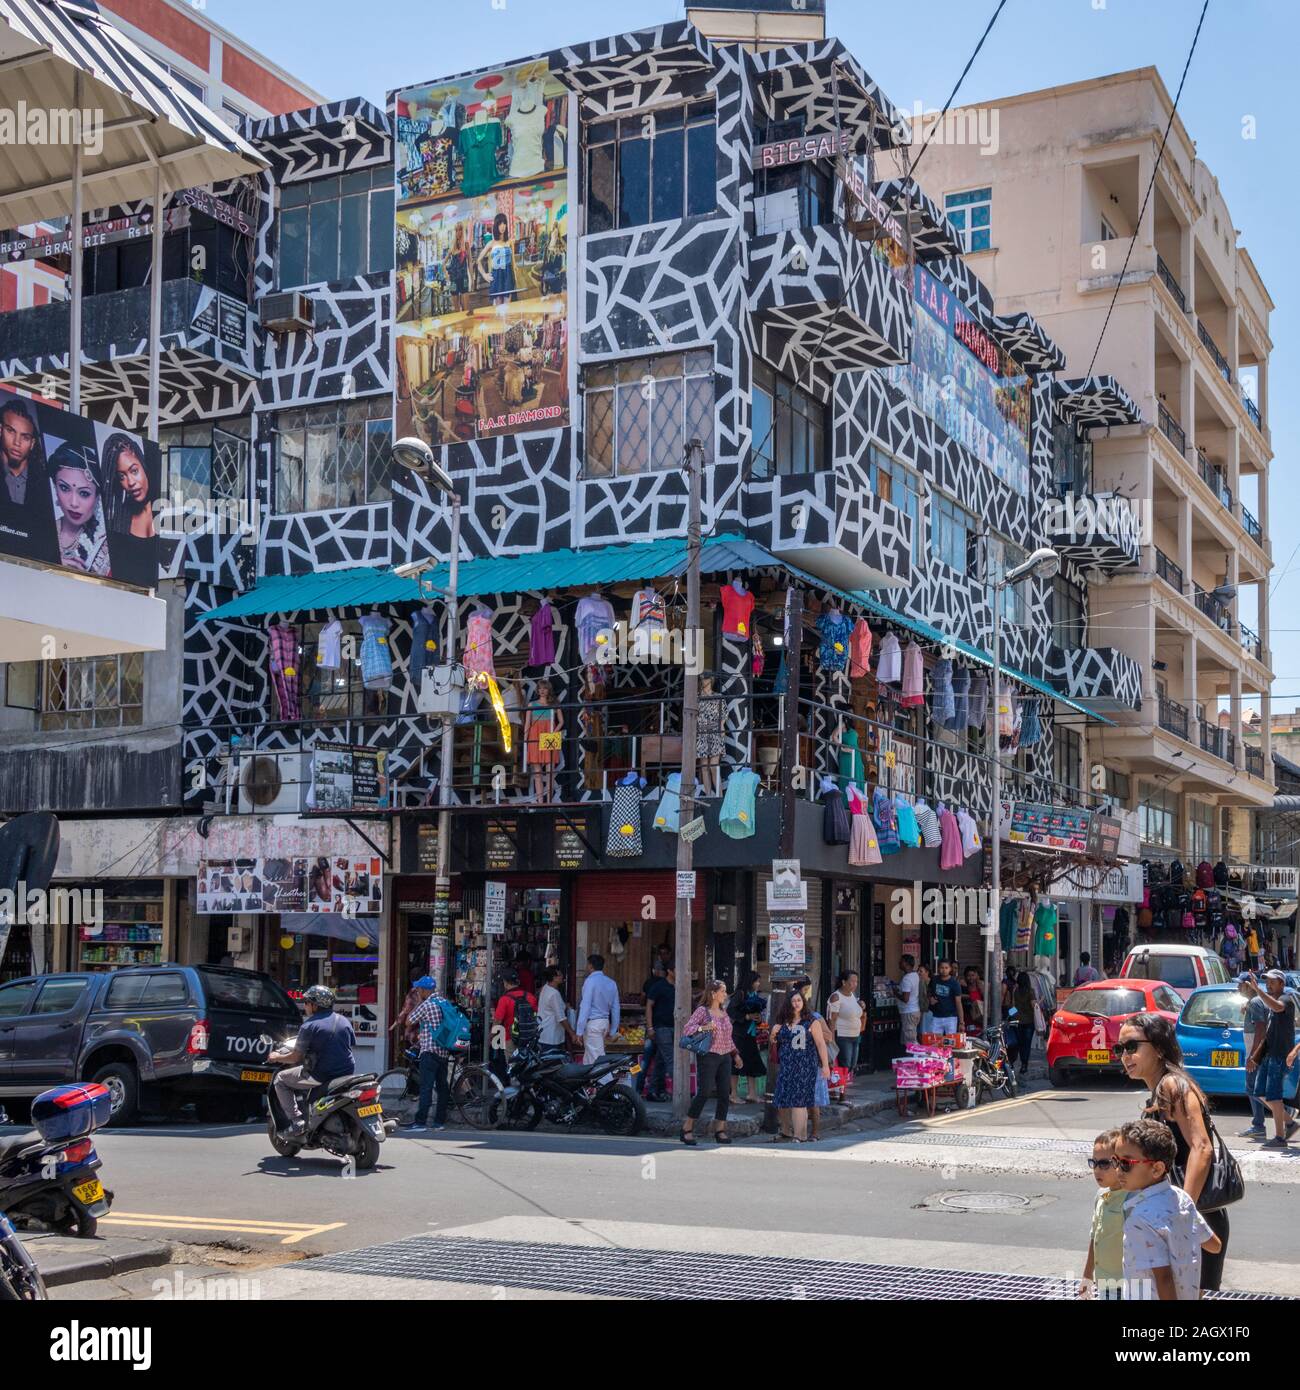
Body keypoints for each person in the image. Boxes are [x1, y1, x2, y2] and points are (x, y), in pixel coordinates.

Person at [1115, 1011, 1231, 1291]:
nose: (1124, 1055)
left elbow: (1201, 1148)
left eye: (1132, 1046)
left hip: (1192, 1214)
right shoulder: (1160, 1089)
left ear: (1157, 1047)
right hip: (1178, 1216)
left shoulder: (1172, 1085)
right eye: (1120, 1048)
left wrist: (1180, 1211)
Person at [1114, 1118, 1220, 1301]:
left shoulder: (1139, 1220)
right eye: (1115, 1161)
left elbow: (1163, 1279)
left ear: (1157, 1169)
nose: (1118, 1170)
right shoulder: (1182, 1198)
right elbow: (1214, 1245)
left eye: (1126, 1163)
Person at [268, 985, 355, 1137]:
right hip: (347, 1071)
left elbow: (295, 1057)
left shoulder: (308, 1026)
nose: (305, 1006)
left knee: (280, 1079)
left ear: (315, 1005)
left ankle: (297, 1122)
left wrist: (277, 1057)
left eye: (307, 1002)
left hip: (322, 1074)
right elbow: (349, 1044)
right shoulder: (344, 1021)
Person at [680, 980, 742, 1145]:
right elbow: (687, 1029)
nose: (725, 994)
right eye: (723, 991)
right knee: (704, 1092)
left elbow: (728, 1038)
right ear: (713, 994)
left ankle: (720, 1130)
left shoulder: (724, 1012)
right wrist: (705, 1027)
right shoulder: (703, 1011)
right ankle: (687, 1128)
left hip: (725, 1057)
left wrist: (735, 1055)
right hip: (708, 1056)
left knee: (724, 1093)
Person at [1241, 969, 1297, 1150]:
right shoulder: (1271, 1007)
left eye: (1273, 981)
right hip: (1268, 1055)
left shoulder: (1286, 1000)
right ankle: (1289, 1123)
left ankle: (1280, 1138)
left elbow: (1277, 1006)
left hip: (1280, 1056)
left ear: (1281, 983)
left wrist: (1258, 991)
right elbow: (1268, 1035)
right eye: (1267, 981)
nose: (1269, 984)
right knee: (1259, 1093)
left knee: (1274, 1095)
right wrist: (1255, 1056)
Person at [0, 397, 56, 562]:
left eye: (24, 437)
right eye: (11, 431)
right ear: (1, 430)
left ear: (32, 443)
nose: (17, 442)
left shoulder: (46, 484)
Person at [771, 987, 829, 1142]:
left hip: (805, 1066)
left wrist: (825, 1066)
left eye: (799, 1000)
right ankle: (787, 1131)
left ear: (803, 1002)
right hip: (787, 1065)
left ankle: (800, 1135)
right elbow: (774, 1042)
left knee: (799, 1100)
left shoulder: (811, 1021)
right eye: (793, 1001)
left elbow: (821, 1044)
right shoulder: (782, 1022)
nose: (796, 1003)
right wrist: (773, 1033)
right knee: (782, 1098)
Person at [50, 441, 112, 576]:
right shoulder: (40, 532)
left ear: (97, 497)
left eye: (84, 493)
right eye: (64, 488)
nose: (73, 503)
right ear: (55, 487)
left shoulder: (106, 547)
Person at [402, 976, 451, 1132]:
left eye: (419, 989)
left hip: (429, 1051)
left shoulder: (427, 1005)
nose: (418, 991)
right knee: (442, 1087)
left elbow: (408, 1021)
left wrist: (415, 1007)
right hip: (443, 1051)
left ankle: (420, 1122)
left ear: (424, 990)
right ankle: (439, 1122)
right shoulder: (444, 1002)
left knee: (426, 1087)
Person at [1082, 1127, 1126, 1300]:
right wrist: (1087, 1276)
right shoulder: (1100, 1196)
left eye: (1104, 1164)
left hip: (1126, 1285)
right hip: (1104, 1283)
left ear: (1120, 1163)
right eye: (1094, 1162)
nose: (1097, 1170)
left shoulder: (1131, 1199)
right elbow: (1095, 1238)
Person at [102, 432, 155, 539]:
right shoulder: (119, 524)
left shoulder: (167, 510)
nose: (130, 482)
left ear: (143, 465)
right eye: (122, 477)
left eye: (134, 471)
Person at [728, 971, 767, 1106]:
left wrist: (758, 1018)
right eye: (756, 981)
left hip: (750, 1034)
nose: (758, 983)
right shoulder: (740, 994)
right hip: (738, 1035)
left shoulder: (754, 995)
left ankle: (752, 1093)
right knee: (736, 1064)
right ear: (750, 982)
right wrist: (746, 1017)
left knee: (752, 1062)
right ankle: (733, 1094)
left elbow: (755, 1015)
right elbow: (731, 1011)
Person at [638, 963, 675, 1102]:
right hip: (661, 1028)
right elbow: (648, 1005)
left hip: (674, 1027)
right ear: (670, 970)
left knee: (661, 1061)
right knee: (671, 1059)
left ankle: (653, 1091)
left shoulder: (678, 986)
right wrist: (650, 1027)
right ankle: (680, 1093)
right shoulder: (658, 986)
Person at [491, 968, 537, 1079]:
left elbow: (497, 1021)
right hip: (529, 1038)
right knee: (527, 1067)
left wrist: (491, 1037)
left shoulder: (504, 999)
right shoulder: (531, 997)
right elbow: (536, 1016)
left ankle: (515, 1092)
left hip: (510, 1038)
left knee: (513, 1067)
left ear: (505, 983)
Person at [576, 952, 620, 1065]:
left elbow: (585, 1006)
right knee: (589, 1059)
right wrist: (613, 1029)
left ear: (590, 966)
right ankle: (587, 1082)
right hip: (605, 1023)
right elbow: (616, 1008)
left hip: (593, 1025)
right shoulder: (611, 983)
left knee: (597, 1061)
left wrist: (579, 1031)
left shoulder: (590, 982)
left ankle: (606, 1082)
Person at [826, 972, 864, 1075]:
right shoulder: (836, 997)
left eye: (856, 981)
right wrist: (832, 1039)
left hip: (855, 1035)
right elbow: (832, 1020)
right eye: (852, 981)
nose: (855, 984)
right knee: (845, 1065)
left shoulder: (852, 995)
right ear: (843, 982)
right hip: (843, 1036)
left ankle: (845, 1085)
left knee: (852, 1065)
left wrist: (861, 1006)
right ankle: (842, 1088)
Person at [537, 965, 578, 1056]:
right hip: (552, 1037)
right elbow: (561, 1018)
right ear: (554, 978)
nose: (562, 976)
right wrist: (572, 1033)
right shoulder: (554, 994)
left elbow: (553, 1007)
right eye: (559, 975)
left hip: (545, 1033)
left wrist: (564, 1006)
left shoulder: (545, 988)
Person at [1007, 969, 1037, 1076]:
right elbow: (1033, 1005)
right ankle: (1024, 1064)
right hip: (1029, 1021)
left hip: (1017, 1021)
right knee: (1027, 1044)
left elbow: (1013, 1006)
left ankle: (1015, 1062)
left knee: (1019, 1043)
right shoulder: (1031, 991)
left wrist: (1009, 1016)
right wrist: (1039, 1004)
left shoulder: (1015, 991)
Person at [928, 960, 965, 1037]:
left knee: (950, 1042)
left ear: (950, 969)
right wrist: (930, 999)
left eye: (946, 968)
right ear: (938, 968)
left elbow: (958, 1002)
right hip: (936, 1017)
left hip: (951, 1017)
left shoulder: (955, 983)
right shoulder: (934, 980)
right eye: (942, 967)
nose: (944, 970)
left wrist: (961, 1022)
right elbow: (928, 992)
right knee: (935, 1042)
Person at [896, 955, 922, 1047]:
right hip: (914, 1010)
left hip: (909, 1012)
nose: (899, 963)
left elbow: (905, 999)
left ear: (906, 964)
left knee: (911, 1041)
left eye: (901, 962)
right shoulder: (915, 975)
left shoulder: (907, 979)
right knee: (908, 1039)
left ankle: (915, 1058)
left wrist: (895, 993)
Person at [962, 967, 985, 1033]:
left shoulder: (980, 987)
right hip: (966, 1017)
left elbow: (985, 998)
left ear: (977, 976)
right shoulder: (963, 987)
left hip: (979, 1017)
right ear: (965, 977)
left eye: (973, 975)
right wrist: (969, 996)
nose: (971, 977)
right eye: (968, 975)